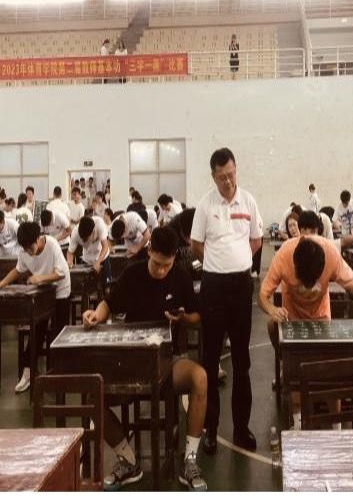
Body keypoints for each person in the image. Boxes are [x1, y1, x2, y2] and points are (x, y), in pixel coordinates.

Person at [82, 227, 208, 491]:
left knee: (200, 378)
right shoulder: (133, 275)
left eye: (167, 265)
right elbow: (108, 304)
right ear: (149, 251)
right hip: (132, 363)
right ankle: (128, 460)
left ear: (174, 258)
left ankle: (190, 460)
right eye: (157, 264)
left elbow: (198, 318)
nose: (161, 270)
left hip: (169, 362)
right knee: (94, 393)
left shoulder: (181, 277)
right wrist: (95, 315)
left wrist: (183, 318)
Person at [258, 230, 353, 429]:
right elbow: (262, 296)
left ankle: (336, 426)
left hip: (321, 317)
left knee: (330, 371)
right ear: (295, 266)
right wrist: (272, 310)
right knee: (296, 368)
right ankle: (297, 421)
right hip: (293, 319)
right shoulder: (283, 256)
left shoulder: (330, 253)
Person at [190, 147, 262, 454]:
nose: (228, 181)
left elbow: (256, 240)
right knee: (209, 361)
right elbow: (196, 243)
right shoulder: (205, 205)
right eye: (222, 177)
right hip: (213, 288)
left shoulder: (249, 201)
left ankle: (241, 428)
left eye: (231, 175)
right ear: (213, 177)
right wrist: (217, 261)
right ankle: (210, 428)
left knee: (242, 361)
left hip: (240, 286)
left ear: (236, 170)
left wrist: (238, 259)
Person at [0, 222, 71, 393]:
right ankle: (28, 373)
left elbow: (61, 273)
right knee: (37, 330)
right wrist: (1, 283)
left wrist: (40, 278)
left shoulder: (52, 245)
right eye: (25, 248)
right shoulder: (25, 251)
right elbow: (18, 270)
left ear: (38, 239)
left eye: (30, 247)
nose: (28, 251)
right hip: (43, 293)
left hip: (61, 290)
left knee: (59, 332)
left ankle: (60, 373)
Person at [67, 216, 112, 287]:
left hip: (102, 257)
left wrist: (98, 262)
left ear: (93, 231)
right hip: (87, 259)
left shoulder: (99, 224)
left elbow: (105, 246)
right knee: (89, 287)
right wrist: (69, 262)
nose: (84, 240)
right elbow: (70, 252)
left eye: (86, 238)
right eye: (82, 239)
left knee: (107, 286)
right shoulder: (75, 233)